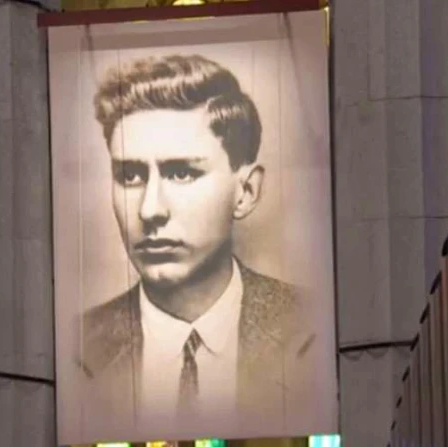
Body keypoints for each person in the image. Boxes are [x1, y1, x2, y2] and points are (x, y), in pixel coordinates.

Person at [76, 53, 321, 439]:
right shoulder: (78, 347)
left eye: (181, 173)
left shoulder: (311, 327)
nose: (150, 210)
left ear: (245, 191)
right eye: (131, 176)